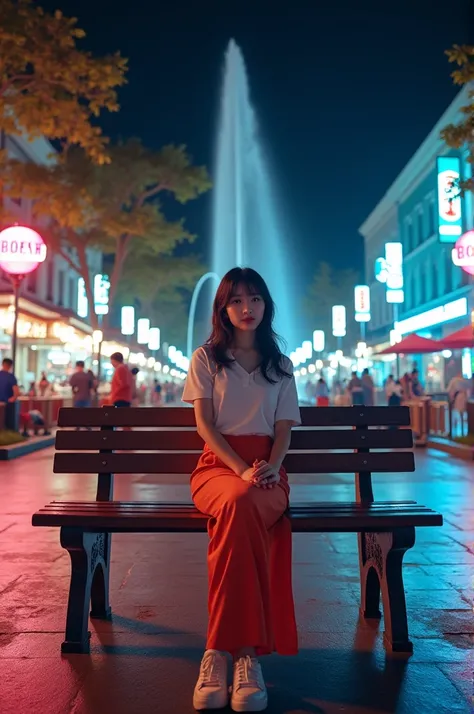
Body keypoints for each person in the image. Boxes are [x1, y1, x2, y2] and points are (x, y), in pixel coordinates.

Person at [182, 267, 301, 713]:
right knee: (236, 500)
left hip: (269, 472)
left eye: (254, 299)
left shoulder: (281, 365)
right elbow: (205, 427)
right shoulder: (207, 359)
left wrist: (271, 466)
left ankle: (219, 653)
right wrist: (240, 468)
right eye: (236, 300)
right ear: (223, 309)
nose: (246, 308)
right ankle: (246, 654)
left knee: (241, 507)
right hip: (218, 468)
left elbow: (284, 430)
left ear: (267, 305)